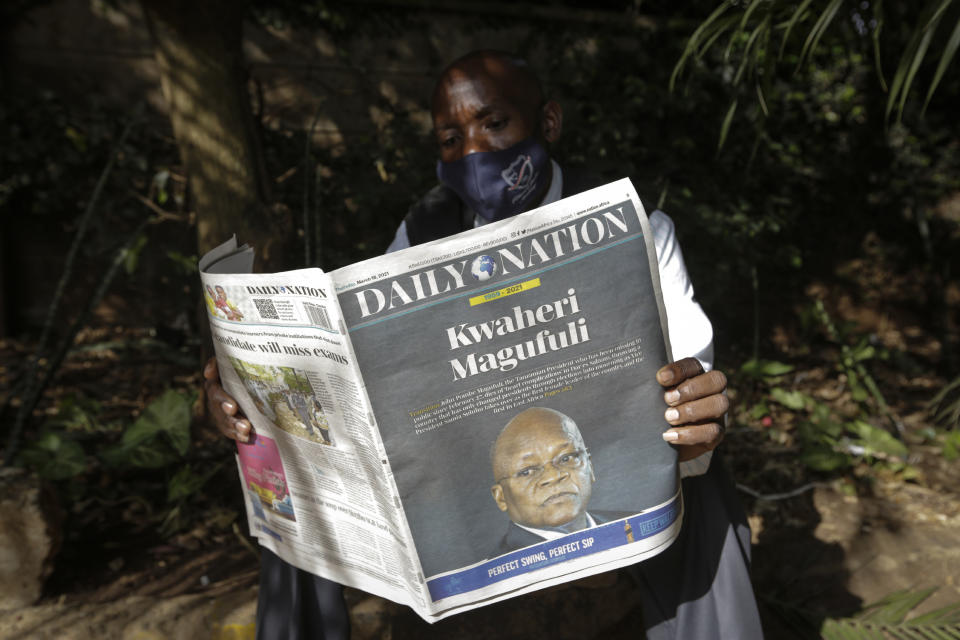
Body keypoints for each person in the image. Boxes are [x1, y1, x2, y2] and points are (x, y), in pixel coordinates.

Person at [204, 50, 762, 639]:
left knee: (701, 484)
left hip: (598, 459)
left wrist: (695, 403)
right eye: (450, 138)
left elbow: (692, 364)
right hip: (471, 467)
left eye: (494, 124)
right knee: (297, 493)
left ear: (547, 123)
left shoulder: (632, 222)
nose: (473, 152)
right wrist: (249, 400)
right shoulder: (424, 229)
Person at [490, 407, 633, 554]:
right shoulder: (497, 570)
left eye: (566, 458)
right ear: (501, 498)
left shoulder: (633, 524)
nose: (553, 476)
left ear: (590, 467)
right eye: (527, 471)